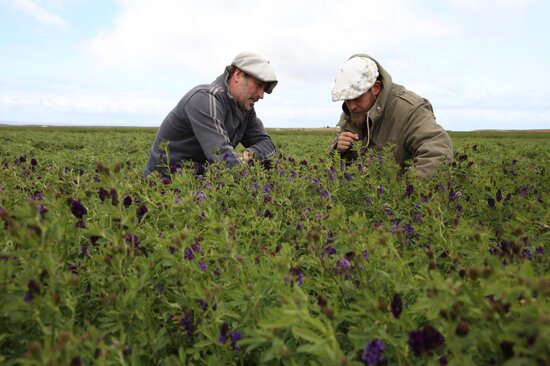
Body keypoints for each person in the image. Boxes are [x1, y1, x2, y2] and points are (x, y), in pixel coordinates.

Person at [144, 52, 278, 177]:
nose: (261, 95)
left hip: (200, 186)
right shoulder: (205, 98)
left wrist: (247, 155)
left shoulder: (244, 109)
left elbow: (268, 145)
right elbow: (223, 159)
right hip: (164, 189)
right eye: (259, 85)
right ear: (238, 75)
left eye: (264, 89)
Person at [328, 54, 453, 177]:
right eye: (346, 99)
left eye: (356, 98)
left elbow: (438, 153)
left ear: (376, 88)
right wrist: (340, 152)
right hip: (370, 196)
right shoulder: (351, 115)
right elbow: (344, 173)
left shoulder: (410, 109)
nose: (351, 106)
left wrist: (407, 191)